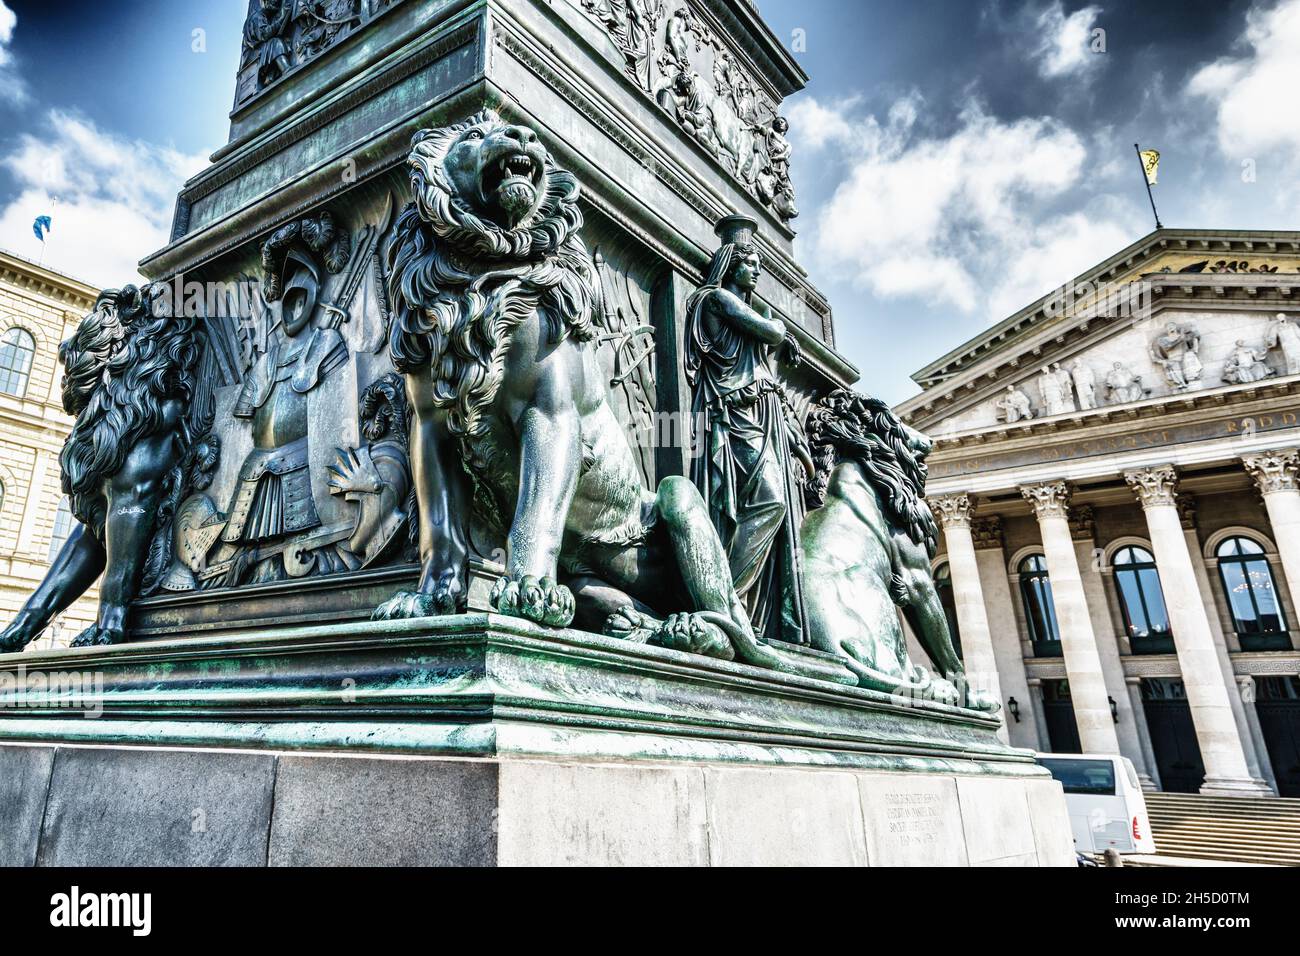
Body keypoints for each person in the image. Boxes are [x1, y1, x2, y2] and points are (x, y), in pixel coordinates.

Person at [685, 215, 811, 645]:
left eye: (759, 263)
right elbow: (770, 330)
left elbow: (766, 344)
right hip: (734, 419)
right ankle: (727, 600)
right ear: (731, 262)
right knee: (771, 501)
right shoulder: (717, 299)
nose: (758, 270)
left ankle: (739, 601)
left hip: (758, 416)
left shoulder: (737, 305)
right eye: (751, 262)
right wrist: (778, 328)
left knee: (772, 502)